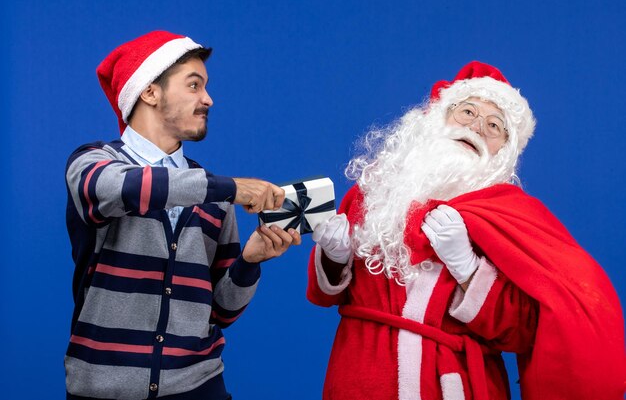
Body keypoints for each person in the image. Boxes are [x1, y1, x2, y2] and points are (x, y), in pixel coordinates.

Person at [307, 61, 625, 400]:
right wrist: (332, 258)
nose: (476, 127)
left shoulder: (512, 216)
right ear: (437, 119)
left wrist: (468, 269)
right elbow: (329, 296)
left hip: (456, 385)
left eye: (493, 125)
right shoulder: (375, 193)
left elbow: (521, 333)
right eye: (467, 112)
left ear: (504, 150)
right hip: (361, 376)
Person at [64, 30, 301, 400]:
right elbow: (118, 190)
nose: (208, 99)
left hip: (201, 387)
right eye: (194, 85)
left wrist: (249, 262)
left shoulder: (215, 197)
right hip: (104, 390)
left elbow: (221, 312)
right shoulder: (93, 163)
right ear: (149, 92)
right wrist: (232, 188)